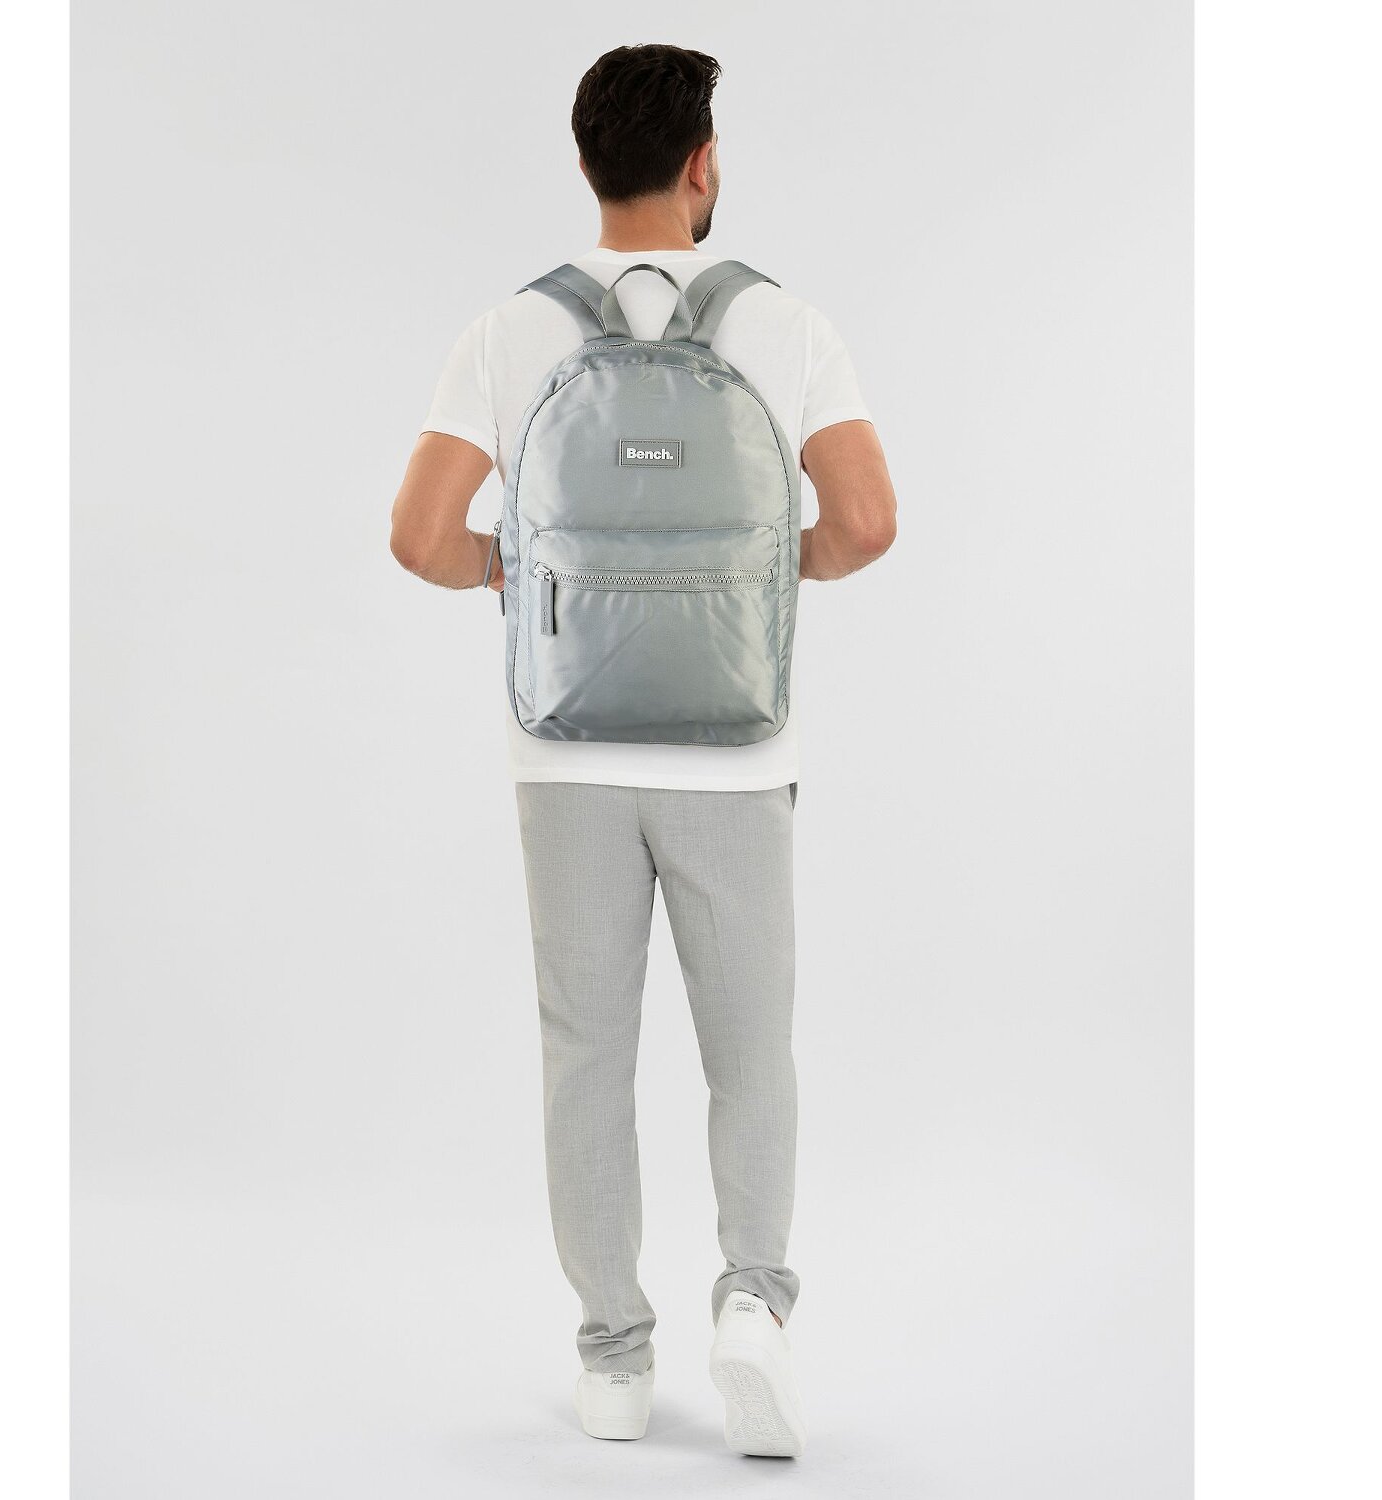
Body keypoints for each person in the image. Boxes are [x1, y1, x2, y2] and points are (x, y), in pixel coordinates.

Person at [390, 43, 896, 1457]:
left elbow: (420, 537)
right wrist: (764, 576)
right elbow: (865, 522)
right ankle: (754, 1305)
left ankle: (613, 1357)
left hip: (566, 760)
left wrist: (521, 574)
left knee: (585, 1056)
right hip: (738, 754)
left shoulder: (509, 333)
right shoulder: (785, 326)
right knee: (751, 1051)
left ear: (585, 164)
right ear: (702, 163)